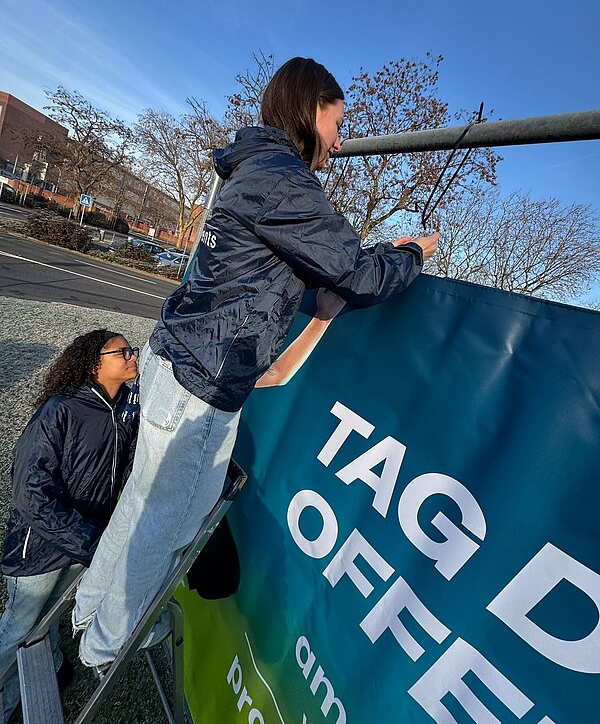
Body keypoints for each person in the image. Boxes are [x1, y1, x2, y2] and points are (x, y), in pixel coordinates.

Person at [73, 56, 440, 669]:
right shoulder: (286, 180)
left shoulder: (250, 167)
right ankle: (106, 645)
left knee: (141, 502)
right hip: (203, 380)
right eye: (336, 122)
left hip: (176, 359)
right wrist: (411, 256)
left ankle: (89, 614)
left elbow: (310, 254)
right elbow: (353, 269)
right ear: (310, 110)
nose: (340, 140)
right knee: (165, 522)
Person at [0, 330, 139, 721]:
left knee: (45, 624)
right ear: (94, 363)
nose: (132, 356)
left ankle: (20, 696)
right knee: (19, 629)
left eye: (133, 350)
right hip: (41, 548)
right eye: (122, 352)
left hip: (85, 546)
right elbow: (30, 493)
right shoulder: (60, 409)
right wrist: (90, 541)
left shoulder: (128, 409)